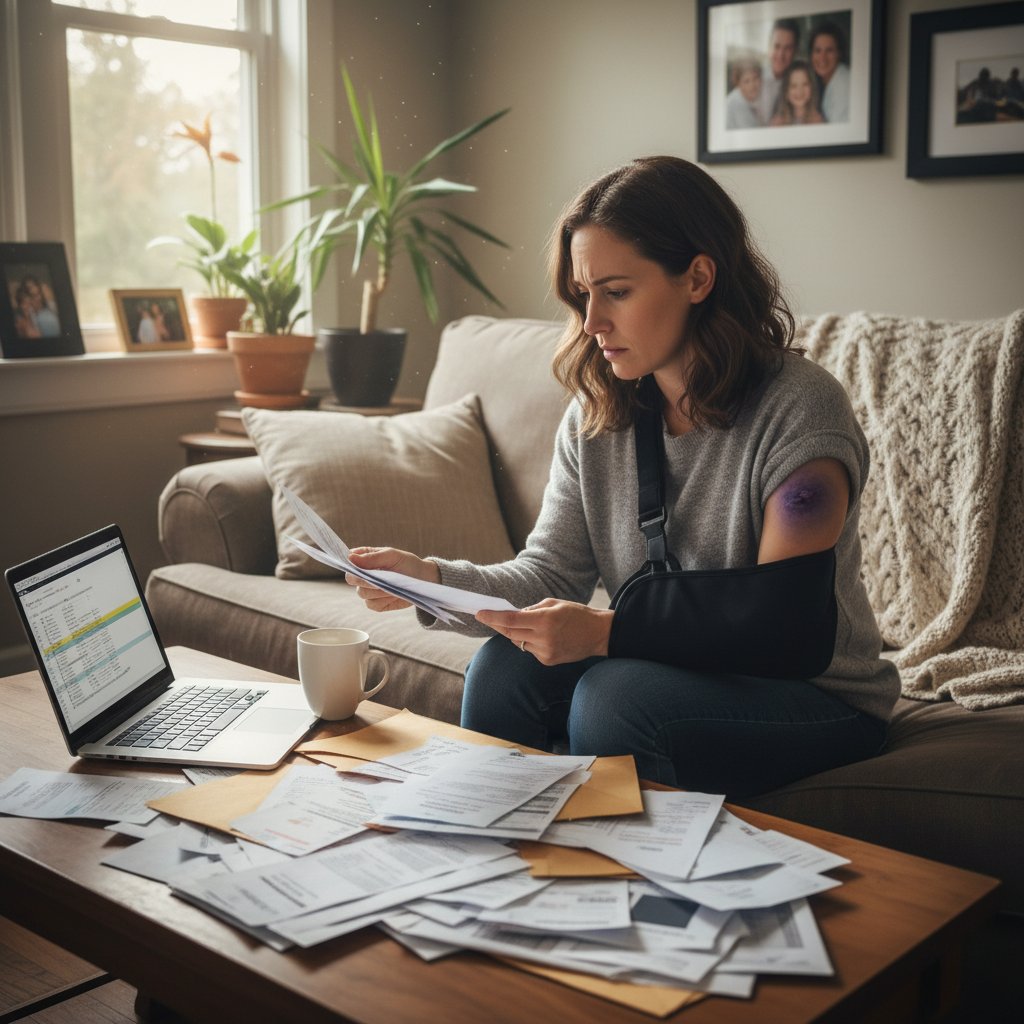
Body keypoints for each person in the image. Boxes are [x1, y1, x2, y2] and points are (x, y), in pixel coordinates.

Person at [346, 156, 898, 799]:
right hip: (677, 664)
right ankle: (488, 846)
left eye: (617, 291)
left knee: (615, 697)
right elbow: (550, 577)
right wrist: (430, 582)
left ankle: (622, 860)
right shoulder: (598, 412)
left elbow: (784, 628)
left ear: (698, 278)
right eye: (584, 294)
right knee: (502, 671)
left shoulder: (801, 409)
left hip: (813, 694)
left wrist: (609, 633)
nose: (592, 322)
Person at [758, 18, 799, 124]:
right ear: (769, 47)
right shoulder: (754, 79)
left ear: (795, 51)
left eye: (788, 48)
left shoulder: (799, 82)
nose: (781, 55)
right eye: (777, 46)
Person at [810, 22, 850, 123]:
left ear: (839, 53)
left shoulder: (844, 84)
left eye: (829, 50)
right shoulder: (828, 81)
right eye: (817, 50)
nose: (822, 58)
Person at [770, 60, 825, 125]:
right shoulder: (777, 123)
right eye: (793, 86)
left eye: (805, 84)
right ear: (786, 91)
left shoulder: (817, 121)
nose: (799, 91)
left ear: (812, 88)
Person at [725, 56, 764, 130]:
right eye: (746, 81)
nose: (752, 85)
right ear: (738, 84)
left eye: (755, 78)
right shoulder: (735, 104)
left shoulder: (756, 98)